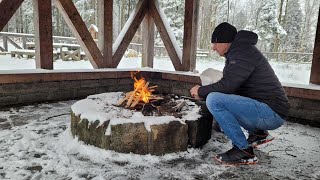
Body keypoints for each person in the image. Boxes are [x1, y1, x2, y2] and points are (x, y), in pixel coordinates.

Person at [190, 22, 290, 165]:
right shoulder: (240, 51)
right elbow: (233, 88)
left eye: (215, 43)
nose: (213, 48)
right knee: (217, 98)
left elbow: (228, 85)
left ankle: (243, 151)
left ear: (226, 42)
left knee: (214, 100)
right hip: (268, 109)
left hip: (271, 113)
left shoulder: (242, 52)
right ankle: (258, 133)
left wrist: (201, 90)